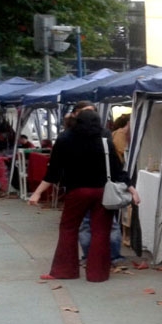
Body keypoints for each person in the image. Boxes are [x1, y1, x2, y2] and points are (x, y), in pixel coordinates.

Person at [28, 109, 140, 283]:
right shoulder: (104, 140)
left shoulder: (65, 139)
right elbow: (117, 170)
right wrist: (132, 189)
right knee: (101, 232)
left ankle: (65, 270)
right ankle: (98, 274)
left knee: (68, 229)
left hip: (77, 191)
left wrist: (37, 192)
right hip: (103, 192)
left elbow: (53, 172)